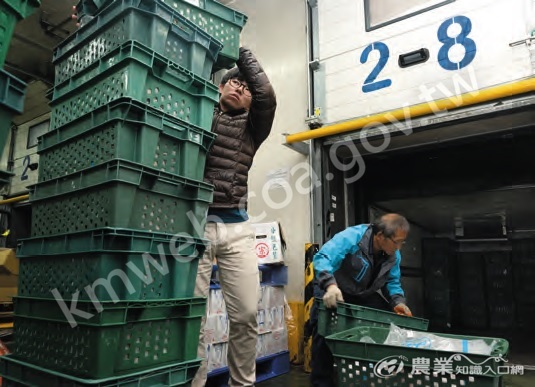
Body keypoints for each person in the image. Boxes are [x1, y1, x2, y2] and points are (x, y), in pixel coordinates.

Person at [192, 47, 276, 387]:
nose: (239, 87)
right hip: (194, 227)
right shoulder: (201, 112)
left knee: (244, 315)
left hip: (237, 228)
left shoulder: (254, 128)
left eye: (245, 86)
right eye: (233, 82)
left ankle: (243, 384)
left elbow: (266, 95)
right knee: (192, 319)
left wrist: (237, 50)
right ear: (220, 87)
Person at [310, 213, 413, 387]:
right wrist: (330, 285)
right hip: (334, 288)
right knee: (324, 329)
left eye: (402, 242)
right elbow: (323, 258)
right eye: (397, 242)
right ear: (380, 236)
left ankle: (372, 375)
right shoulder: (351, 238)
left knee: (387, 321)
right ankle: (322, 382)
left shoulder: (393, 255)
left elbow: (392, 282)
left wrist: (398, 302)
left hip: (362, 293)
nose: (399, 247)